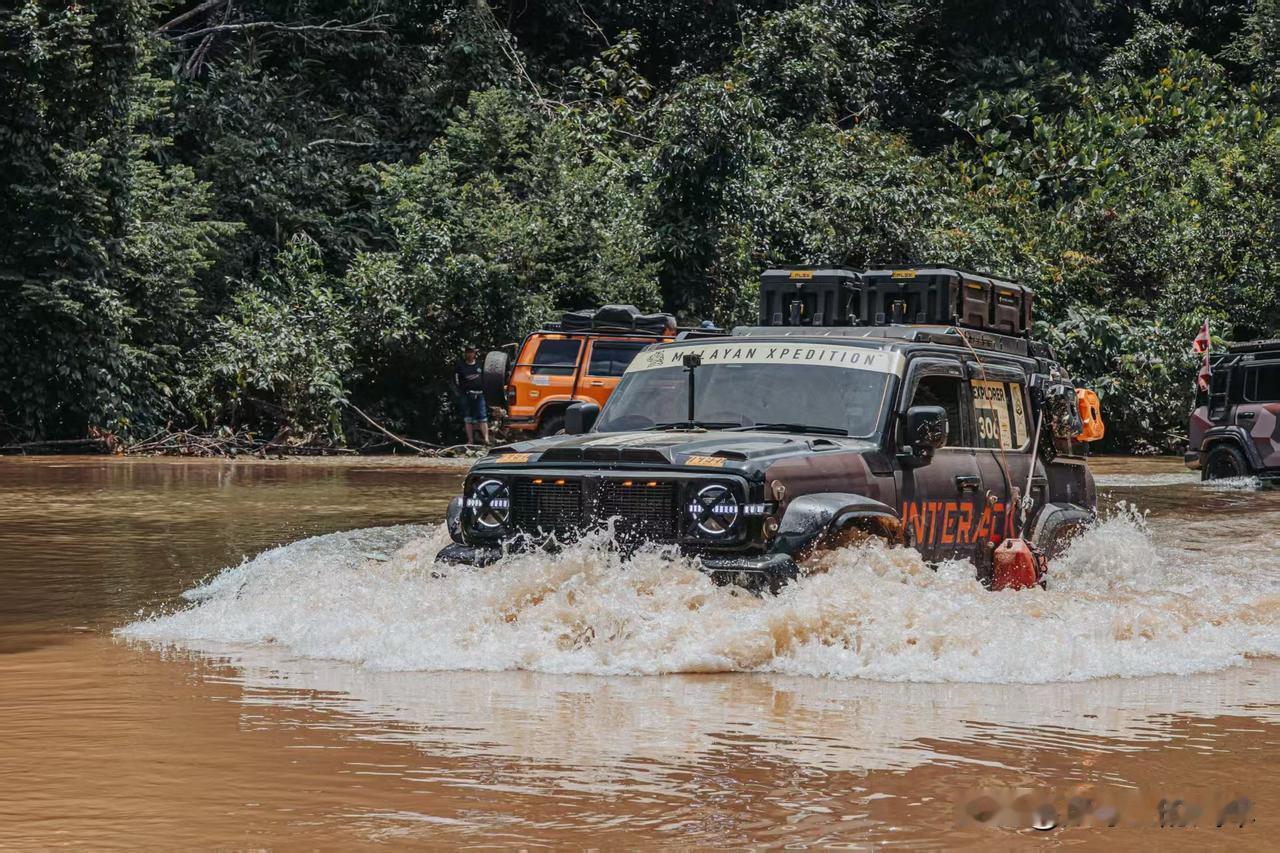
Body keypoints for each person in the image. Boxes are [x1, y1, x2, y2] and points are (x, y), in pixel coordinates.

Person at [454, 344, 490, 445]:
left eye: (472, 352)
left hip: (480, 394)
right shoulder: (460, 366)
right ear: (465, 353)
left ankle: (486, 439)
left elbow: (486, 378)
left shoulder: (480, 365)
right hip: (466, 395)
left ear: (475, 353)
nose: (470, 354)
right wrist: (460, 391)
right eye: (468, 352)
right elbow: (456, 380)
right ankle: (470, 440)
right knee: (468, 418)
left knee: (482, 417)